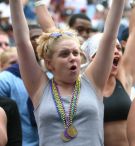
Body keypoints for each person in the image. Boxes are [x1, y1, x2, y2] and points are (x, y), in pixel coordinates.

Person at [9, 0, 125, 146]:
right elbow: (21, 42)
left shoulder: (93, 81)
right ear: (49, 63)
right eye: (64, 54)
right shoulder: (39, 87)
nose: (72, 58)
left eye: (76, 53)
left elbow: (110, 35)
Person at [82, 1, 135, 145]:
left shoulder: (123, 77)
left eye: (118, 47)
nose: (116, 51)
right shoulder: (83, 85)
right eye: (110, 48)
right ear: (93, 58)